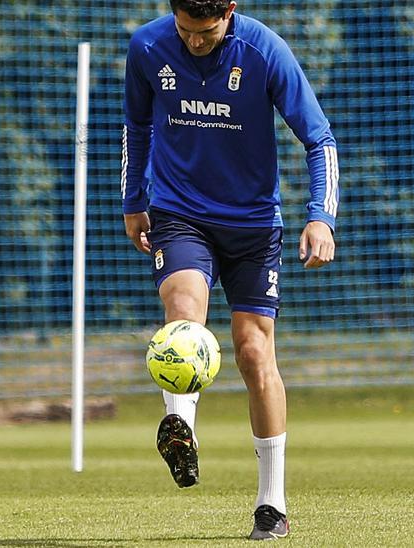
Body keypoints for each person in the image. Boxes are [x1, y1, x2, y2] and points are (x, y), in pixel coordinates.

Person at [121, 0, 339, 540]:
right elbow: (136, 126)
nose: (196, 41)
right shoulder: (147, 46)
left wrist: (322, 217)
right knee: (184, 311)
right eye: (186, 30)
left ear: (230, 12)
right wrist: (133, 202)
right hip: (179, 214)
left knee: (252, 350)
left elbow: (320, 140)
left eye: (208, 31)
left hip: (252, 225)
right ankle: (181, 427)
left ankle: (272, 503)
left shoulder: (265, 51)